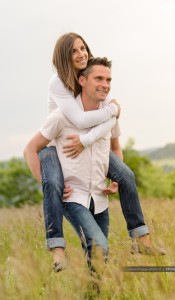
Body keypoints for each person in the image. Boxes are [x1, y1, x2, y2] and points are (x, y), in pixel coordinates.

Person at [24, 57, 119, 271]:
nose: (105, 84)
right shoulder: (61, 117)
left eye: (108, 79)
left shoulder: (110, 115)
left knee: (98, 256)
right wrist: (50, 185)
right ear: (82, 81)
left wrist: (115, 180)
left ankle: (92, 293)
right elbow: (30, 149)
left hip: (100, 196)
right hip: (74, 196)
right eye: (99, 78)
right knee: (99, 245)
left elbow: (115, 148)